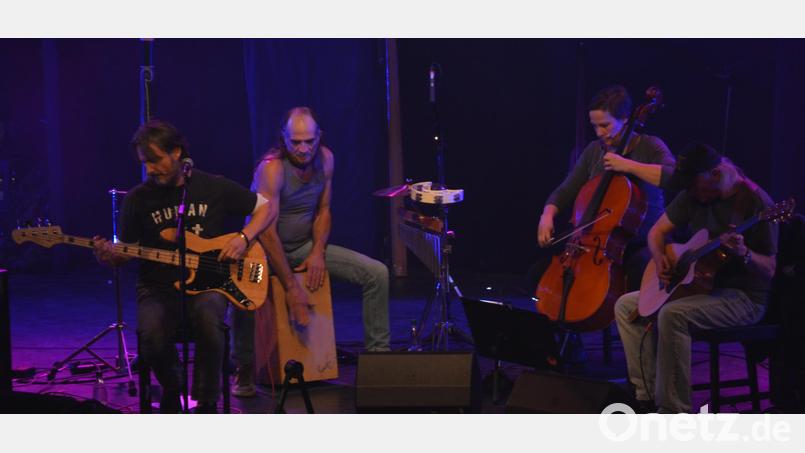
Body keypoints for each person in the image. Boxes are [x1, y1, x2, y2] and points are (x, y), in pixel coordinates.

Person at [93, 119, 273, 413]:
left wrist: (243, 238)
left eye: (155, 160)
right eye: (144, 163)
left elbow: (266, 207)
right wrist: (109, 255)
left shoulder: (211, 186)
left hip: (211, 282)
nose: (150, 168)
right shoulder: (138, 199)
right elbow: (126, 251)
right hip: (157, 287)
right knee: (150, 330)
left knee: (208, 317)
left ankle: (206, 400)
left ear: (176, 152)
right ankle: (172, 388)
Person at [231, 107, 390, 397]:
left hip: (304, 246)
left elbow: (324, 210)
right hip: (262, 250)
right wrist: (292, 287)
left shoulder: (326, 159)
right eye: (295, 142)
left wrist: (317, 252)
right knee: (241, 287)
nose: (303, 149)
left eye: (309, 141)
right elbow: (266, 230)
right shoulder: (273, 168)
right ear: (283, 138)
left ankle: (380, 363)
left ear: (319, 138)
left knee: (376, 274)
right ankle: (243, 366)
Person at [613, 143, 778, 413]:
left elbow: (769, 269)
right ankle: (646, 397)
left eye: (695, 186)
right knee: (626, 306)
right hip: (699, 289)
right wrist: (659, 258)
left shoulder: (755, 202)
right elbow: (656, 232)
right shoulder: (693, 193)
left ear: (715, 174)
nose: (692, 194)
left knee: (673, 314)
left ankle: (674, 411)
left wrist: (744, 253)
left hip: (743, 297)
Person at [536, 85, 676, 292]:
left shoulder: (651, 146)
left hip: (642, 240)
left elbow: (673, 177)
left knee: (637, 270)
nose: (600, 133)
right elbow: (567, 188)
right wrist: (547, 214)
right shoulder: (594, 151)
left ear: (625, 119)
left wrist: (628, 165)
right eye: (595, 127)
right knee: (540, 274)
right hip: (598, 241)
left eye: (605, 125)